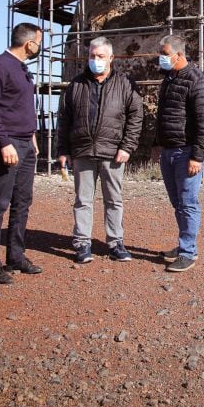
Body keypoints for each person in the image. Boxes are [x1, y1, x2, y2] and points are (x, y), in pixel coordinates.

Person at [56, 37, 143, 264]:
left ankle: (115, 243)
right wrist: (63, 150)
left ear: (111, 58)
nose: (96, 60)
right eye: (92, 56)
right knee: (83, 200)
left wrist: (127, 147)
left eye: (101, 56)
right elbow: (64, 120)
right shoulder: (76, 85)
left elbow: (136, 117)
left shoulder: (125, 84)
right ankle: (83, 243)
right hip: (82, 151)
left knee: (114, 200)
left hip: (113, 152)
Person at [0, 23, 43, 284]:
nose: (40, 47)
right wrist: (4, 143)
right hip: (7, 145)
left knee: (22, 202)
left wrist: (32, 136)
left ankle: (16, 256)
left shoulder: (21, 69)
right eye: (39, 42)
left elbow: (21, 107)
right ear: (29, 44)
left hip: (26, 144)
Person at [154, 34, 204, 273]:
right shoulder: (169, 79)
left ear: (179, 55)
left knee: (188, 203)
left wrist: (197, 157)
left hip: (186, 152)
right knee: (177, 202)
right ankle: (183, 245)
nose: (162, 58)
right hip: (169, 151)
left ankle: (188, 252)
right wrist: (158, 143)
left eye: (165, 54)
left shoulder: (198, 81)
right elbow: (163, 115)